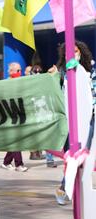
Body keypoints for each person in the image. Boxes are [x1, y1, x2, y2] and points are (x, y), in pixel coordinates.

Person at [49, 41, 96, 205]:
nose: (74, 54)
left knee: (85, 154)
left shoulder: (90, 70)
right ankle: (65, 188)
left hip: (90, 118)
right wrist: (53, 76)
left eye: (76, 51)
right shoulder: (62, 72)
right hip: (70, 120)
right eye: (70, 52)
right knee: (74, 155)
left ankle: (71, 188)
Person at [2, 62, 28, 172]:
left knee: (16, 139)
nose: (19, 72)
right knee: (17, 139)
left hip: (19, 113)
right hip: (10, 114)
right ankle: (18, 164)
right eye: (17, 70)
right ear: (11, 71)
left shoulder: (21, 82)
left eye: (20, 70)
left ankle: (6, 162)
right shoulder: (6, 83)